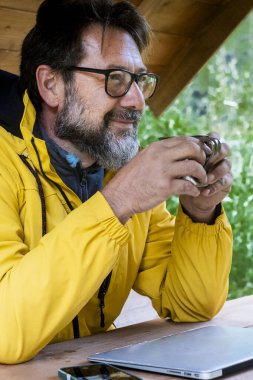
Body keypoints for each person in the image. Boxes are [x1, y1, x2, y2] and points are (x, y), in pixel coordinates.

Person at [0, 0, 232, 364]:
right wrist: (118, 201)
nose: (137, 101)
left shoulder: (119, 169)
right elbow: (4, 333)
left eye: (140, 80)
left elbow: (192, 305)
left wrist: (201, 214)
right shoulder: (5, 164)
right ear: (51, 85)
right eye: (115, 79)